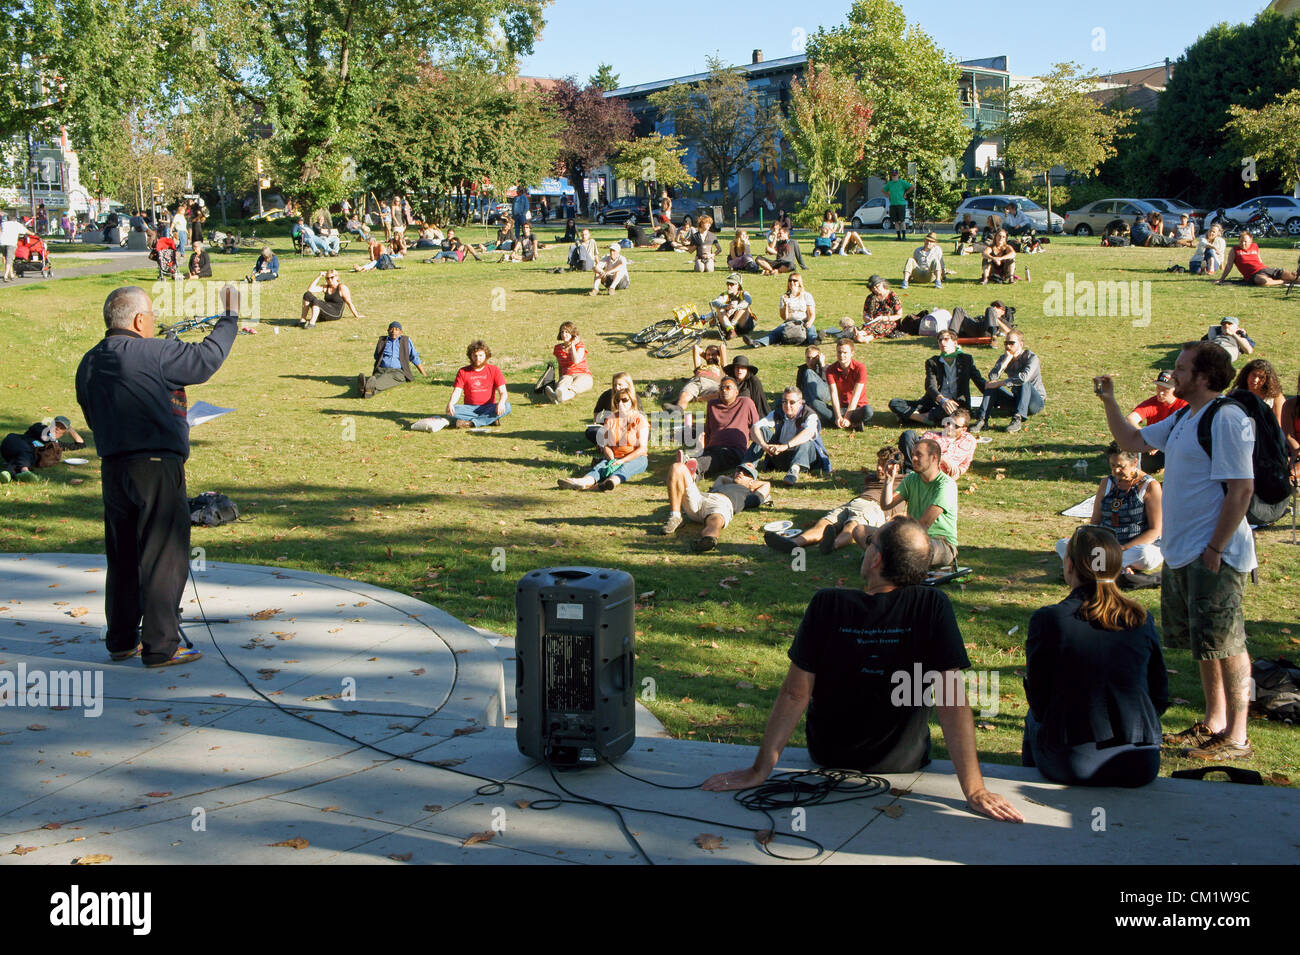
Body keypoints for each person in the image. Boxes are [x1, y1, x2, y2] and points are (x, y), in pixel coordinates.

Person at [702, 517, 1024, 823]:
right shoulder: (932, 606)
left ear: (876, 561)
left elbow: (794, 693)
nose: (866, 548)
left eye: (870, 543)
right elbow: (951, 700)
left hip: (829, 755)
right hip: (902, 761)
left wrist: (759, 770)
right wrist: (975, 789)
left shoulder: (827, 604)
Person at [1094, 341, 1256, 761]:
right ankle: (1214, 722)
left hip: (1216, 553)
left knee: (1229, 642)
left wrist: (1216, 547)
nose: (1173, 374)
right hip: (1185, 554)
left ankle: (1237, 736)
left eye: (1181, 368)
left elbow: (1242, 490)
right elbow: (1131, 437)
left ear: (1204, 377)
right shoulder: (1185, 416)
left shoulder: (1227, 418)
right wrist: (1110, 400)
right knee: (1207, 643)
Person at [74, 284, 239, 667]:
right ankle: (162, 645)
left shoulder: (89, 362)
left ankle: (120, 640)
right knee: (164, 553)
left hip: (113, 467)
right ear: (138, 320)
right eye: (150, 317)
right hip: (155, 466)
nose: (152, 324)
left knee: (123, 554)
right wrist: (229, 317)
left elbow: (92, 411)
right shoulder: (153, 352)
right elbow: (206, 359)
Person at [1025, 525, 1168, 787]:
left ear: (1069, 564)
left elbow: (1038, 699)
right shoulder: (1141, 618)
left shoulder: (1050, 619)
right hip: (1140, 761)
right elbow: (1159, 693)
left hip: (1074, 761)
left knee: (1031, 720)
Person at [1054, 441, 1164, 581]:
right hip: (1106, 546)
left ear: (1134, 462)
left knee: (1145, 555)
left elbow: (1155, 530)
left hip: (1134, 547)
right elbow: (1095, 522)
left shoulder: (1150, 486)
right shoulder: (1106, 483)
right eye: (1112, 466)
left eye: (1120, 466)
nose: (1116, 471)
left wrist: (1123, 548)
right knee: (1064, 545)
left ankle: (1090, 567)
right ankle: (1117, 568)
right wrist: (1085, 541)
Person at [875, 437, 959, 568]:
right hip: (912, 536)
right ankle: (888, 556)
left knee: (906, 548)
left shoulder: (946, 485)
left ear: (934, 458)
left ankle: (883, 556)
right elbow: (886, 504)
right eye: (913, 455)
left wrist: (895, 538)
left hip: (940, 543)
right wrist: (889, 480)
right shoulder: (912, 479)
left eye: (919, 455)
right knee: (859, 531)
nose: (913, 458)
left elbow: (924, 524)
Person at [662, 460, 771, 551]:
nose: (741, 473)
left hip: (722, 504)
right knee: (677, 467)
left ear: (753, 481)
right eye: (739, 470)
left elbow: (766, 484)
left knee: (715, 521)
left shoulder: (750, 495)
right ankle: (675, 516)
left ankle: (708, 540)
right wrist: (735, 481)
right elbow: (721, 478)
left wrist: (750, 485)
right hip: (701, 498)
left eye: (747, 473)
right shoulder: (723, 484)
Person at [558, 386, 649, 491]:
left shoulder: (640, 420)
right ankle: (581, 482)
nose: (620, 404)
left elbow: (642, 449)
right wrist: (612, 460)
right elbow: (606, 446)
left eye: (624, 400)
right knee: (600, 468)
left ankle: (609, 483)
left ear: (632, 402)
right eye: (617, 401)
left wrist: (622, 461)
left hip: (637, 458)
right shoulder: (611, 419)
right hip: (615, 457)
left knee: (625, 469)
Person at [889, 329, 987, 426]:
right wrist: (943, 400)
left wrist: (994, 396)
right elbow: (930, 386)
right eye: (940, 340)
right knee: (895, 403)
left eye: (946, 339)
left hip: (957, 404)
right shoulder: (933, 362)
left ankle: (911, 417)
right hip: (935, 401)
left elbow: (979, 380)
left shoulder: (966, 359)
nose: (942, 342)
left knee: (952, 411)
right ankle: (924, 419)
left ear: (955, 343)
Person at [411, 340, 511, 432]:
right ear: (470, 356)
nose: (478, 359)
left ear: (486, 356)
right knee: (451, 411)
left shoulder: (494, 370)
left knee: (507, 406)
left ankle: (471, 423)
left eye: (481, 355)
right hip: (469, 409)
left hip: (488, 407)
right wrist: (451, 403)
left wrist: (501, 402)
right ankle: (490, 420)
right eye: (475, 355)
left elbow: (503, 392)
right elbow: (457, 391)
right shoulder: (463, 371)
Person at [680, 375, 760, 478]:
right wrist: (705, 446)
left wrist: (752, 454)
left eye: (728, 387)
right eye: (721, 388)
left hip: (734, 450)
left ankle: (692, 465)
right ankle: (693, 473)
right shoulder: (712, 405)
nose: (724, 390)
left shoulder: (746, 403)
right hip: (713, 447)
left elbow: (757, 427)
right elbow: (708, 429)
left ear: (736, 392)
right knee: (711, 457)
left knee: (719, 457)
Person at [747, 387, 829, 486]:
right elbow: (755, 427)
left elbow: (809, 432)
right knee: (761, 431)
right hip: (781, 456)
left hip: (805, 456)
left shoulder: (810, 415)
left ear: (800, 403)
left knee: (806, 441)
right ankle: (747, 467)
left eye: (792, 402)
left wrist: (785, 446)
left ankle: (794, 471)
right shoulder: (777, 413)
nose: (787, 406)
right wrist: (764, 445)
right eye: (784, 401)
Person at [970, 329, 1045, 434]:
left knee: (1023, 382)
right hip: (1016, 399)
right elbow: (992, 377)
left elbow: (1023, 378)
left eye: (1011, 343)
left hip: (1034, 402)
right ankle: (982, 420)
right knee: (991, 385)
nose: (1008, 346)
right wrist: (1005, 361)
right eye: (1006, 343)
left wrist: (1000, 383)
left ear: (1021, 344)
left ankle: (1017, 419)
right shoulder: (1005, 357)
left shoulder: (1031, 358)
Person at [764, 492, 887, 555]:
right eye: (879, 464)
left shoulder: (901, 483)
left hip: (873, 506)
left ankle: (832, 545)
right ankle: (793, 543)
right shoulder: (871, 478)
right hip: (853, 502)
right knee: (823, 524)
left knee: (851, 526)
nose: (879, 468)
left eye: (883, 465)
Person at [1126, 370, 1186, 471]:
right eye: (1158, 387)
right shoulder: (1152, 403)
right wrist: (1149, 438)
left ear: (1176, 389)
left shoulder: (1184, 405)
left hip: (1173, 445)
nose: (1160, 393)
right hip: (1151, 445)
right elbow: (1129, 419)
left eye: (1165, 389)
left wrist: (1158, 443)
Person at [0, 415, 86, 483]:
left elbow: (81, 444)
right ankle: (24, 470)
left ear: (64, 432)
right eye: (56, 425)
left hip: (19, 457)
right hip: (13, 442)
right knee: (27, 450)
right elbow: (44, 435)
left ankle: (7, 474)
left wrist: (70, 429)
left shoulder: (56, 445)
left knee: (28, 456)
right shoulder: (40, 428)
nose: (57, 429)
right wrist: (52, 437)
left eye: (61, 428)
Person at [743, 273, 818, 347]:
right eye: (790, 280)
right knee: (775, 333)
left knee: (811, 330)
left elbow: (812, 313)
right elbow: (784, 317)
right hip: (790, 322)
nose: (792, 283)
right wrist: (785, 305)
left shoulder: (806, 295)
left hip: (804, 321)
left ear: (799, 283)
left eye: (795, 281)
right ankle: (757, 343)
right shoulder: (784, 297)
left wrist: (810, 322)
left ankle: (815, 341)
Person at [357, 321, 427, 398]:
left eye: (396, 329)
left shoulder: (405, 341)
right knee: (378, 378)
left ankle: (364, 387)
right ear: (387, 331)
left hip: (397, 372)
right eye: (391, 329)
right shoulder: (382, 341)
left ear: (401, 332)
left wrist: (424, 374)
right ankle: (367, 392)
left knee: (384, 380)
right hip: (381, 370)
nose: (393, 331)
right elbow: (376, 356)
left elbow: (414, 357)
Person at [1216, 230, 1299, 287]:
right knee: (1264, 282)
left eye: (1245, 241)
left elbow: (1259, 261)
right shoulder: (1234, 250)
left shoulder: (1254, 246)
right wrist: (1221, 279)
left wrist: (1266, 269)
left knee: (1294, 275)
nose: (1243, 243)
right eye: (1241, 241)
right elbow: (1229, 266)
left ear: (1251, 241)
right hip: (1253, 275)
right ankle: (1283, 281)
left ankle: (1287, 279)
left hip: (1264, 269)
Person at [662, 341, 726, 413]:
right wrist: (708, 357)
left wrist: (715, 357)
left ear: (718, 355)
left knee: (722, 394)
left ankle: (697, 399)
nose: (710, 356)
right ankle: (679, 409)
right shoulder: (700, 367)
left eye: (713, 354)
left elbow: (722, 347)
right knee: (685, 394)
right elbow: (696, 348)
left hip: (712, 384)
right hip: (696, 381)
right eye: (708, 354)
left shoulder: (722, 367)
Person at [825, 339, 873, 431]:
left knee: (868, 410)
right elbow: (833, 394)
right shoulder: (830, 370)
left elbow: (856, 395)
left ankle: (841, 422)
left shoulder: (860, 368)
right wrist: (838, 415)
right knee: (816, 404)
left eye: (845, 352)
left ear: (852, 353)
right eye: (839, 352)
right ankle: (851, 423)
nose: (841, 355)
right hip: (840, 408)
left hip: (857, 408)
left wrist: (847, 417)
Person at [544, 321, 593, 404]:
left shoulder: (580, 345)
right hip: (567, 375)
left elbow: (576, 360)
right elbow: (560, 366)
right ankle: (557, 395)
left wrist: (572, 345)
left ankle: (558, 396)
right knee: (562, 385)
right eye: (562, 332)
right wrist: (560, 379)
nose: (564, 334)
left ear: (572, 334)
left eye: (567, 332)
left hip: (582, 374)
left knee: (576, 386)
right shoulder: (558, 348)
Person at [846, 274, 903, 343]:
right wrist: (867, 319)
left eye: (877, 286)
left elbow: (899, 315)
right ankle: (866, 338)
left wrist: (885, 318)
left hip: (891, 322)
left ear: (882, 284)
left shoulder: (892, 295)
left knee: (881, 325)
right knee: (874, 326)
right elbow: (865, 314)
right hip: (873, 323)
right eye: (873, 288)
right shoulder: (870, 298)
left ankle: (861, 333)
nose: (875, 289)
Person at [796, 345, 834, 427]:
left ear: (818, 358)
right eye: (808, 358)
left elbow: (827, 385)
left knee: (809, 372)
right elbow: (799, 388)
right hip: (812, 400)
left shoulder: (826, 368)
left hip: (825, 394)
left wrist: (822, 365)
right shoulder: (802, 369)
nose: (810, 361)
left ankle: (809, 408)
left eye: (813, 358)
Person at [710, 273, 756, 340]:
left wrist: (735, 308)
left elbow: (748, 301)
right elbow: (714, 302)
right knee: (720, 309)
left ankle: (732, 326)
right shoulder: (725, 294)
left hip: (743, 324)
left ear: (738, 285)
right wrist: (726, 306)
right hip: (728, 325)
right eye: (728, 284)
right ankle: (731, 331)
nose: (729, 286)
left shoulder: (744, 293)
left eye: (731, 284)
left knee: (744, 307)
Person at [884, 170, 913, 240]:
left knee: (902, 220)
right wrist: (888, 195)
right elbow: (883, 190)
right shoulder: (890, 184)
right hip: (893, 204)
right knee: (896, 221)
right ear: (891, 176)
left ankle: (904, 236)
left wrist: (906, 193)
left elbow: (912, 187)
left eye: (895, 175)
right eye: (893, 175)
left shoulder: (902, 182)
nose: (894, 177)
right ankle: (898, 236)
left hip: (901, 204)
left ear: (898, 175)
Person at [1, 212, 28, 283]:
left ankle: (11, 274)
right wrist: (33, 234)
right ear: (15, 219)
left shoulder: (3, 224)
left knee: (6, 258)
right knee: (10, 259)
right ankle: (6, 275)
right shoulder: (16, 224)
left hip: (2, 243)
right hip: (11, 243)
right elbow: (25, 231)